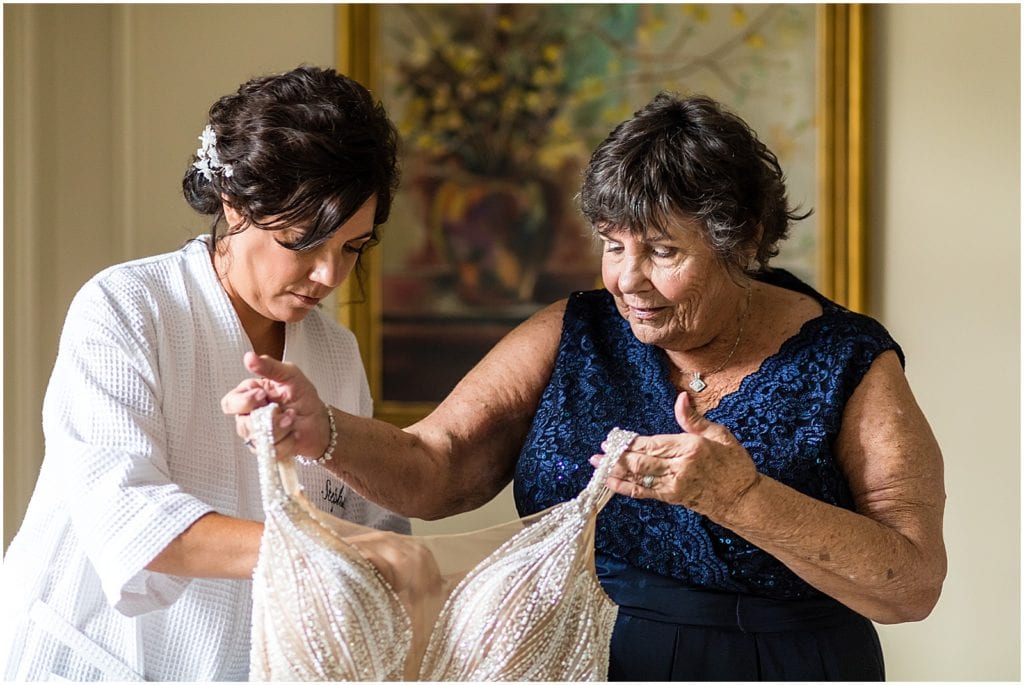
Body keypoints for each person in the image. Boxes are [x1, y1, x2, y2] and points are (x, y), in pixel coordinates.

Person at [222, 92, 947, 681]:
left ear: (744, 239)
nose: (628, 279)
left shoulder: (848, 361)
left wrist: (742, 499)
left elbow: (911, 582)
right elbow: (438, 463)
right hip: (573, 662)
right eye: (613, 244)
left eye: (663, 251)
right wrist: (324, 430)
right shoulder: (575, 330)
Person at [0, 65, 409, 682]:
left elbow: (371, 527)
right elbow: (128, 516)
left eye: (352, 248)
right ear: (235, 204)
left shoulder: (336, 353)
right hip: (94, 659)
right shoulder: (126, 307)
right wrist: (337, 550)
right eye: (305, 241)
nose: (330, 276)